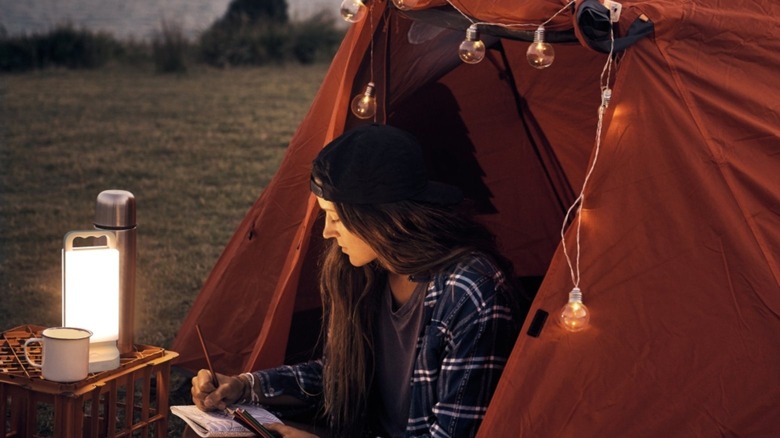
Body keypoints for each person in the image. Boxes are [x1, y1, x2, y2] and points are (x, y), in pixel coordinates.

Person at [191, 124, 524, 437]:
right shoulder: (366, 271)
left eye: (336, 217)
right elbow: (340, 374)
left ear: (381, 220)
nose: (327, 232)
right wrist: (244, 386)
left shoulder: (469, 293)